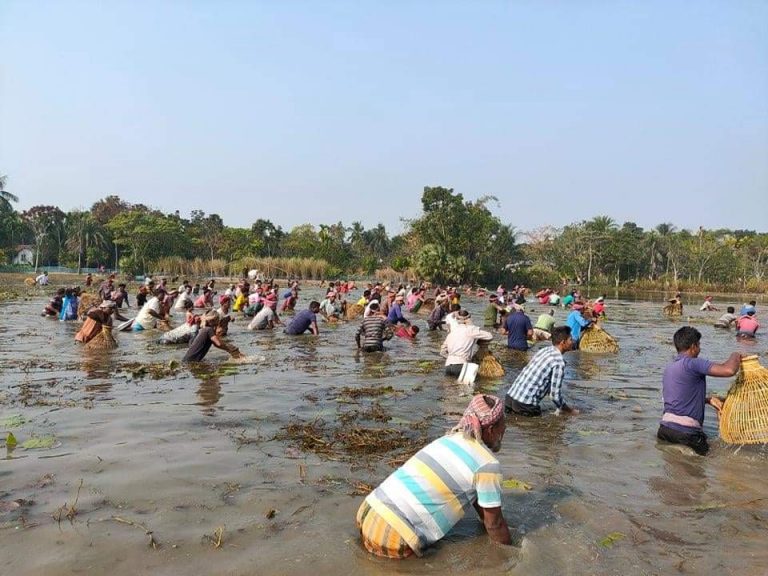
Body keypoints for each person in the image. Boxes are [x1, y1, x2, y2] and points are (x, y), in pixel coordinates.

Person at [356, 394, 511, 558]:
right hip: (395, 534)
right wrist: (509, 558)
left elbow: (478, 501)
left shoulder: (450, 438)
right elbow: (495, 524)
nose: (505, 429)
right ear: (491, 429)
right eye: (503, 424)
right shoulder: (487, 464)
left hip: (368, 511)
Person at [657, 326, 741, 455]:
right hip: (686, 433)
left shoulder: (669, 368)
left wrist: (707, 400)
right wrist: (737, 354)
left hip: (665, 430)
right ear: (693, 346)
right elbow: (729, 370)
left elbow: (679, 397)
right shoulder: (693, 363)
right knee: (709, 462)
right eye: (699, 345)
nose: (700, 349)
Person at [505, 326, 577, 416]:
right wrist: (569, 411)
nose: (572, 342)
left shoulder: (545, 350)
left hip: (510, 397)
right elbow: (555, 396)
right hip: (525, 404)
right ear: (563, 342)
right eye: (570, 339)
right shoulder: (559, 362)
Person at [440, 310, 493, 377]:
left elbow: (442, 352)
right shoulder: (471, 329)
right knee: (466, 387)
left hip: (448, 366)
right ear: (468, 319)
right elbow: (489, 336)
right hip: (462, 365)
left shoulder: (452, 332)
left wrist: (453, 358)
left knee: (450, 386)